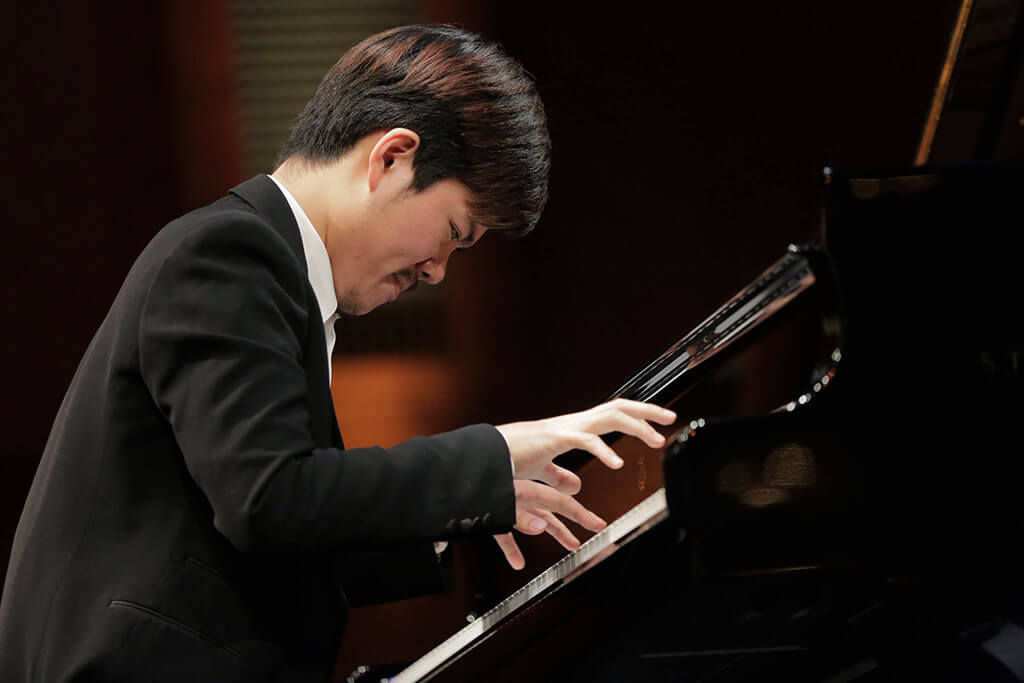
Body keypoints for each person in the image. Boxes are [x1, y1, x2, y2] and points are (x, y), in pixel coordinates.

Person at [0, 23, 675, 682]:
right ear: (391, 157)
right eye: (453, 231)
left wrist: (467, 508)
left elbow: (284, 534)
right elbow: (269, 499)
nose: (438, 270)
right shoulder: (231, 253)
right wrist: (491, 455)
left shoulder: (269, 269)